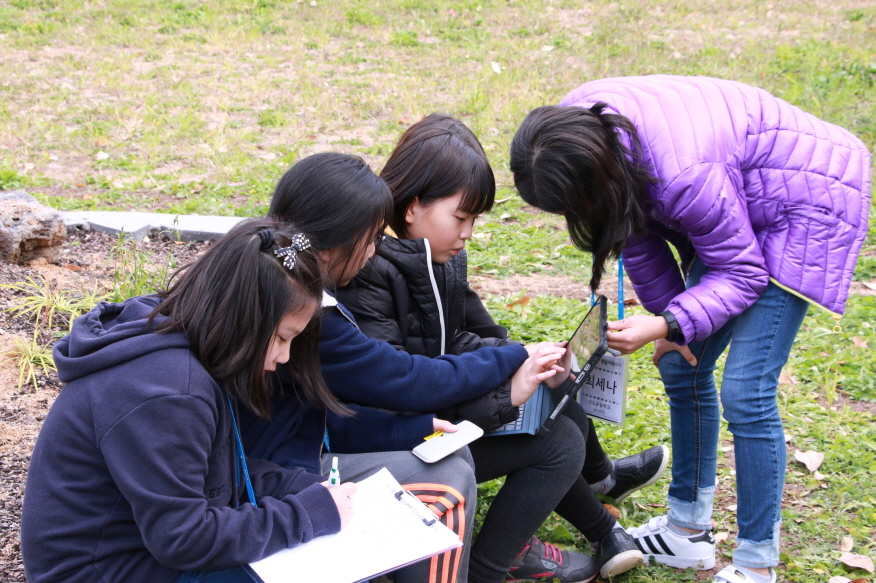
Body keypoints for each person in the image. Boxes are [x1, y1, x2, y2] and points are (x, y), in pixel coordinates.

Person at [509, 75, 872, 583]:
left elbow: (743, 274)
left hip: (805, 200)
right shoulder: (575, 134)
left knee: (747, 390)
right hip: (738, 199)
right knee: (682, 366)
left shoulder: (683, 176)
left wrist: (666, 321)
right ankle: (688, 533)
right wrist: (673, 333)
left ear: (596, 174)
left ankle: (756, 562)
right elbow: (632, 229)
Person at [336, 114, 670, 582]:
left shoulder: (438, 254)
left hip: (436, 410)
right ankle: (491, 566)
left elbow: (464, 335)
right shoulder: (370, 270)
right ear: (413, 206)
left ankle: (598, 512)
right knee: (557, 442)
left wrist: (529, 358)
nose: (469, 232)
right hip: (400, 436)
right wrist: (504, 391)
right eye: (462, 217)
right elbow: (399, 387)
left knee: (557, 401)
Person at [240, 153, 568, 583]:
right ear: (339, 238)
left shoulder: (281, 279)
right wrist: (514, 356)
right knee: (449, 476)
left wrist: (405, 429)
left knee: (475, 456)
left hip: (296, 449)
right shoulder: (310, 313)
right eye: (371, 236)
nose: (376, 249)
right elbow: (411, 380)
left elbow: (316, 411)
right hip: (275, 470)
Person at [22, 219, 363, 583]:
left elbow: (213, 475)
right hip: (100, 572)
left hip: (135, 554)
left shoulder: (187, 348)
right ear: (243, 319)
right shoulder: (168, 391)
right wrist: (306, 515)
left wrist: (301, 487)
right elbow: (183, 538)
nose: (283, 356)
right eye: (281, 337)